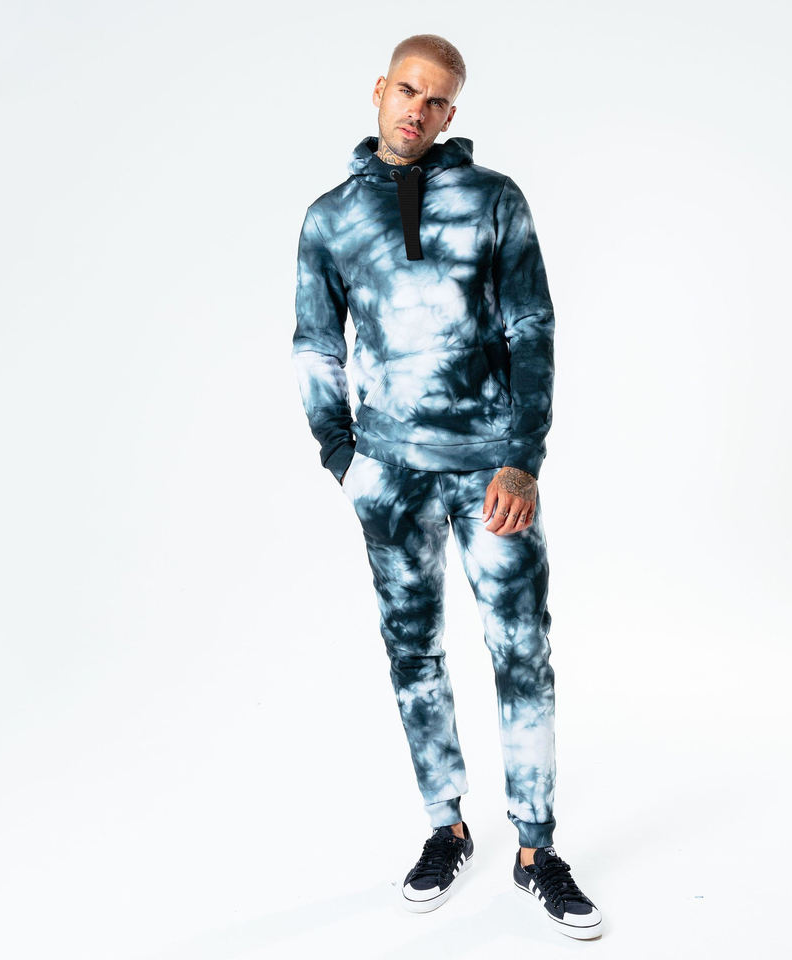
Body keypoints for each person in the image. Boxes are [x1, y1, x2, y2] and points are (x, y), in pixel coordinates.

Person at [291, 33, 602, 940]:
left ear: (452, 113)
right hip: (389, 478)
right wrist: (342, 457)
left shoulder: (494, 199)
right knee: (413, 654)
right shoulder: (329, 218)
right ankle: (445, 828)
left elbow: (532, 327)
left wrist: (523, 458)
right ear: (379, 90)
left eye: (436, 101)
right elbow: (315, 342)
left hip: (491, 472)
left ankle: (537, 848)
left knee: (522, 649)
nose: (417, 111)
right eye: (407, 91)